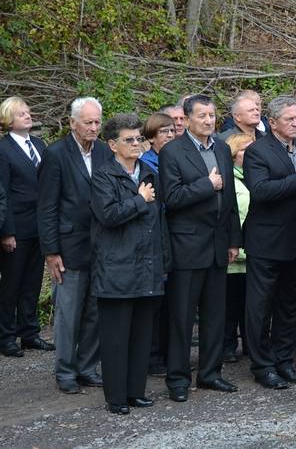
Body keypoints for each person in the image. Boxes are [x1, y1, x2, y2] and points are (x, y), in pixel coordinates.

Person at [159, 94, 242, 402]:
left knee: (215, 315)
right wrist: (207, 185)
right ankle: (178, 379)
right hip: (187, 245)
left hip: (218, 244)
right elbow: (172, 198)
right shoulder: (172, 151)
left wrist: (233, 239)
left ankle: (210, 373)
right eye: (202, 116)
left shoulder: (221, 147)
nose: (209, 120)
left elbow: (230, 198)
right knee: (181, 318)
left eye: (212, 115)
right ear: (187, 119)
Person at [90, 113, 171, 414]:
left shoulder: (148, 172)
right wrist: (139, 200)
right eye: (129, 140)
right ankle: (116, 397)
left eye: (139, 138)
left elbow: (159, 221)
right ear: (113, 145)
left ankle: (136, 391)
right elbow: (108, 215)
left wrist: (164, 259)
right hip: (116, 267)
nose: (137, 144)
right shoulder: (103, 176)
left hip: (147, 265)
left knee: (141, 335)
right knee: (116, 338)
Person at [38, 96, 111, 394]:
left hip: (102, 245)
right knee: (68, 314)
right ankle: (65, 371)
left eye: (97, 122)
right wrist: (51, 251)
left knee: (95, 310)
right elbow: (46, 207)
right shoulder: (56, 154)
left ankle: (87, 367)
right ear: (72, 123)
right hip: (69, 247)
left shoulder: (105, 151)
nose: (94, 127)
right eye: (88, 122)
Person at [243, 95, 296, 390]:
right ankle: (263, 366)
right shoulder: (257, 151)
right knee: (260, 307)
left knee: (288, 305)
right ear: (272, 122)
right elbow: (260, 190)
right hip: (267, 241)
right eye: (289, 119)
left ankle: (285, 361)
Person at [0, 97, 53, 357]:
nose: (28, 116)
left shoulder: (40, 145)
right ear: (9, 120)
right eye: (22, 114)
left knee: (32, 282)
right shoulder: (3, 149)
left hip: (39, 226)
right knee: (11, 285)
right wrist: (6, 232)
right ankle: (6, 337)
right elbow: (3, 192)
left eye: (29, 112)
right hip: (16, 228)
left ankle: (29, 333)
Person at [139, 111, 175, 374]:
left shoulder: (175, 158)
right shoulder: (147, 164)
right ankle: (151, 356)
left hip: (175, 232)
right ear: (151, 137)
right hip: (156, 233)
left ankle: (165, 352)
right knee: (154, 300)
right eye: (164, 131)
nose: (170, 135)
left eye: (172, 130)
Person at [223, 133, 254, 364]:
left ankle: (251, 345)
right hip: (233, 255)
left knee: (250, 305)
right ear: (234, 154)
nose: (250, 153)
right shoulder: (228, 179)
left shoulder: (255, 176)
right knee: (229, 305)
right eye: (244, 149)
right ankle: (227, 345)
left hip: (253, 252)